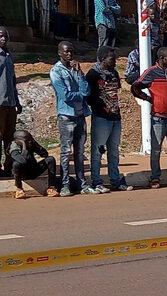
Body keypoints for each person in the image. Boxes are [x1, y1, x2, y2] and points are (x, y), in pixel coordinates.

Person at [132, 46, 167, 188]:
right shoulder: (151, 72)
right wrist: (148, 98)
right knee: (156, 148)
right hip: (158, 117)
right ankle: (155, 177)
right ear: (162, 58)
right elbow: (135, 86)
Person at [50, 41, 95, 196]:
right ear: (60, 53)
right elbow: (65, 95)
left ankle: (82, 184)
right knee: (65, 151)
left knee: (80, 151)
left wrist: (81, 74)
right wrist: (81, 95)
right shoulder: (56, 72)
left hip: (80, 115)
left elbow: (87, 90)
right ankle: (65, 184)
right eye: (66, 52)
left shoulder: (76, 69)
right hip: (66, 116)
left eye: (71, 52)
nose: (69, 54)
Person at [86, 46, 131, 193]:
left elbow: (115, 92)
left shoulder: (114, 73)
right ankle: (96, 181)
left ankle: (115, 180)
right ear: (102, 59)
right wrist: (100, 107)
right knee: (98, 150)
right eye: (112, 59)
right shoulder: (93, 74)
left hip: (115, 117)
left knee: (114, 151)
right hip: (101, 118)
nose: (115, 62)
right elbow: (88, 96)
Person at [9, 130, 58, 198]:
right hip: (23, 174)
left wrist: (34, 142)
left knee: (50, 159)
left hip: (33, 170)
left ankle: (51, 188)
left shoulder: (30, 143)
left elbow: (44, 154)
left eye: (30, 138)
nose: (29, 141)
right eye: (27, 140)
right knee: (16, 164)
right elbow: (23, 161)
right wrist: (24, 146)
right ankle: (19, 189)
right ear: (18, 141)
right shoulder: (13, 147)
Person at [0, 27, 22, 178]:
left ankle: (8, 165)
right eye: (0, 36)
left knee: (10, 136)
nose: (3, 39)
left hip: (10, 103)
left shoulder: (9, 55)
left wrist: (17, 101)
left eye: (5, 36)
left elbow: (13, 80)